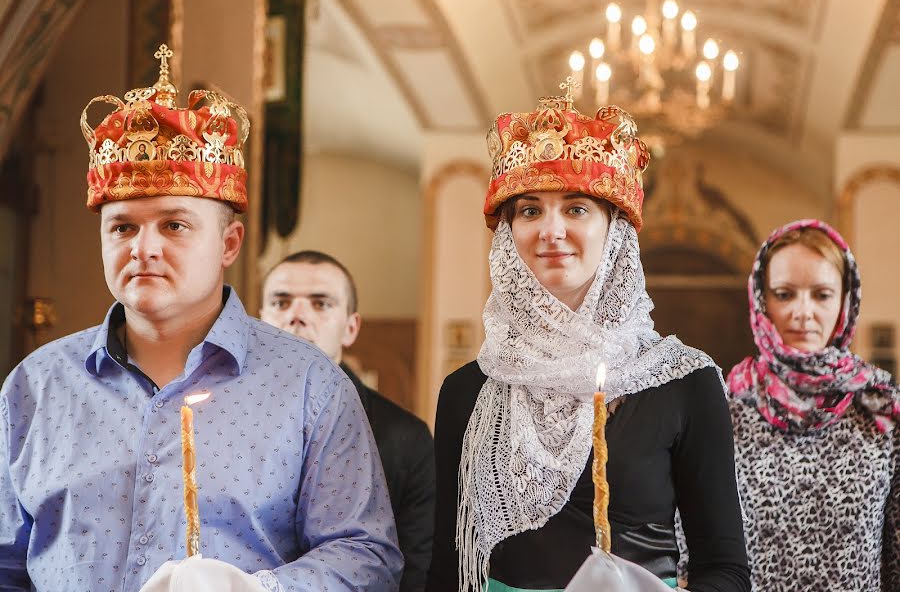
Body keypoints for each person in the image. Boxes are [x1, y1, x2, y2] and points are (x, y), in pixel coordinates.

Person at [0, 47, 401, 591]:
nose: (143, 248)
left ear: (229, 242)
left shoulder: (309, 386)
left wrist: (255, 590)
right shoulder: (36, 385)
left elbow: (366, 556)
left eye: (174, 226)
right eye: (122, 228)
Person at [425, 97, 749, 591]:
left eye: (576, 208)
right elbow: (448, 573)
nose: (551, 231)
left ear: (613, 230)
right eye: (530, 210)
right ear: (510, 233)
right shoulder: (467, 391)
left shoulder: (686, 383)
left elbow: (723, 569)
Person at [727, 219, 900, 591]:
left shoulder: (881, 408)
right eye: (785, 294)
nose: (802, 313)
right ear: (761, 300)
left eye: (821, 294)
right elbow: (693, 545)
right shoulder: (727, 407)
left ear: (844, 301)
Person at [260, 250, 435, 591]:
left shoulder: (406, 437)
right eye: (281, 303)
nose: (297, 316)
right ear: (259, 319)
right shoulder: (223, 416)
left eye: (320, 303)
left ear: (350, 327)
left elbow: (416, 569)